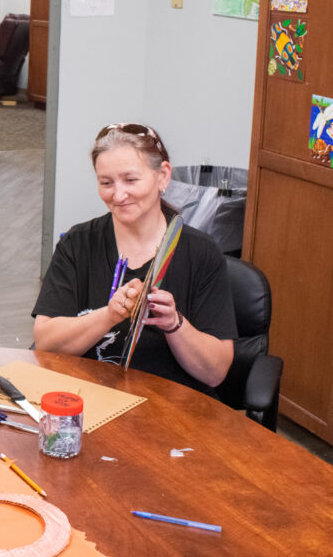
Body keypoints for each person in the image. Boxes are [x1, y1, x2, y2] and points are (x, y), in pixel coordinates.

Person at [31, 123, 235, 394]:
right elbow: (45, 342)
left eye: (130, 180)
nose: (118, 195)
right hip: (89, 400)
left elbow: (215, 372)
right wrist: (109, 315)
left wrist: (174, 324)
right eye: (106, 183)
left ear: (163, 176)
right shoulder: (77, 244)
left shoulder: (201, 253)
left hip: (173, 414)